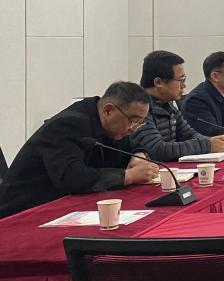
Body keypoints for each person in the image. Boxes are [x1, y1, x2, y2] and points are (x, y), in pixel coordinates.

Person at [0, 82, 160, 219]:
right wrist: (129, 176)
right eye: (133, 121)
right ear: (108, 111)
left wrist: (138, 156)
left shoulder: (112, 126)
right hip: (21, 212)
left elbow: (133, 145)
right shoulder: (68, 124)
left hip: (62, 208)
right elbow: (72, 177)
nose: (134, 128)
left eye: (140, 123)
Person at [131, 51, 224, 161]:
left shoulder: (167, 105)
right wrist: (207, 145)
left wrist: (211, 141)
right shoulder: (139, 108)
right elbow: (158, 150)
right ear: (158, 82)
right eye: (181, 80)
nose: (184, 85)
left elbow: (189, 134)